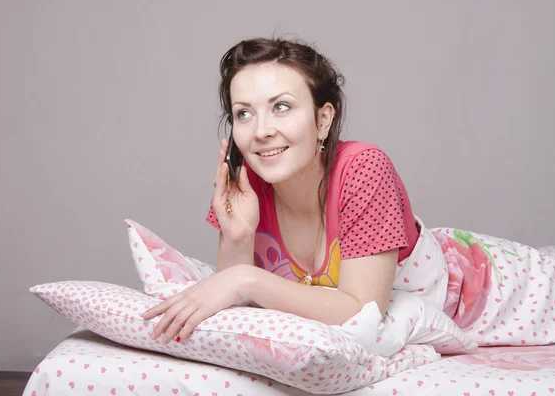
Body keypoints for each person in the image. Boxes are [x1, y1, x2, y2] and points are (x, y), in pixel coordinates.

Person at [141, 37, 438, 345]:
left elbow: (363, 312)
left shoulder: (365, 168)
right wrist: (238, 237)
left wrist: (248, 278)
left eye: (281, 107)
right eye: (244, 113)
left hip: (478, 292)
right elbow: (234, 313)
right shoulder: (249, 184)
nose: (261, 131)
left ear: (323, 119)